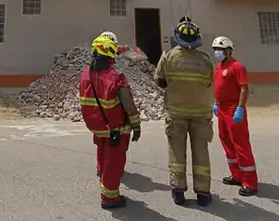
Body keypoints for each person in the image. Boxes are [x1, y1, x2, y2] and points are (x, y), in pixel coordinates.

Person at [155, 19, 215, 207]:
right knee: (201, 152)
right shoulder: (205, 59)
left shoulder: (168, 57)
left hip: (177, 113)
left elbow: (159, 80)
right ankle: (203, 193)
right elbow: (209, 82)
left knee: (176, 152)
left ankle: (178, 191)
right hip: (201, 114)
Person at [78, 34, 142, 209]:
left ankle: (101, 172)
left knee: (102, 151)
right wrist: (136, 125)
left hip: (96, 126)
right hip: (115, 128)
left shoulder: (85, 75)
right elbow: (128, 104)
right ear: (111, 55)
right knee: (114, 162)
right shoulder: (115, 77)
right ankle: (110, 198)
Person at [213, 36, 258, 196]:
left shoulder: (237, 67)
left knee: (240, 144)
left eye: (219, 50)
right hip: (222, 110)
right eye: (215, 50)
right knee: (226, 141)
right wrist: (216, 102)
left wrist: (240, 108)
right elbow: (219, 87)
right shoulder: (218, 67)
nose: (216, 53)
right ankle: (237, 175)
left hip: (234, 110)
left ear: (228, 51)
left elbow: (244, 89)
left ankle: (250, 182)